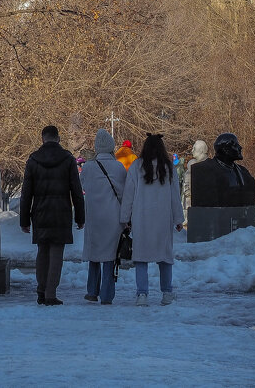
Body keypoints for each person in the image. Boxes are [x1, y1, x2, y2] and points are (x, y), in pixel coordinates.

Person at [20, 125, 84, 306]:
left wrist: (24, 220)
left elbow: (26, 193)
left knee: (42, 251)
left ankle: (41, 290)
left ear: (43, 139)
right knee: (56, 253)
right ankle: (50, 293)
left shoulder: (33, 160)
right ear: (58, 138)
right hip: (61, 212)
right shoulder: (68, 160)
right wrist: (80, 217)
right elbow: (76, 192)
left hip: (40, 213)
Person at [119, 134, 185, 306]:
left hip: (142, 218)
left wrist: (125, 217)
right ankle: (167, 293)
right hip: (163, 219)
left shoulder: (136, 167)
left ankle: (142, 294)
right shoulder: (168, 168)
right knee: (165, 256)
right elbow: (174, 197)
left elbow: (129, 195)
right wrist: (179, 219)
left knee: (141, 257)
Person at [79, 129, 127, 304]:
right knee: (109, 257)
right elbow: (123, 194)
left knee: (94, 255)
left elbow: (82, 185)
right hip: (113, 218)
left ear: (97, 147)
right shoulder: (119, 167)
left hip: (94, 218)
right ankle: (107, 295)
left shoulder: (88, 167)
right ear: (112, 147)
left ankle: (92, 291)